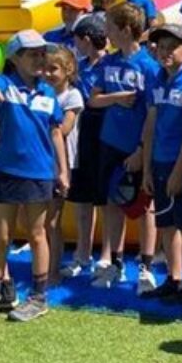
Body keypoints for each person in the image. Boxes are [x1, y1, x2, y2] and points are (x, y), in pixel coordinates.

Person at [0, 30, 68, 324]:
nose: (39, 59)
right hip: (6, 171)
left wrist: (63, 170)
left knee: (37, 234)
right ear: (15, 58)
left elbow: (56, 132)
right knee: (1, 235)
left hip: (40, 173)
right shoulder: (4, 84)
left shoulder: (48, 92)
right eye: (32, 54)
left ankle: (38, 298)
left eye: (42, 53)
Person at [88, 2, 159, 293]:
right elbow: (94, 100)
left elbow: (154, 113)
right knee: (112, 203)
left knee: (144, 207)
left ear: (126, 30)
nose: (106, 33)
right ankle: (115, 263)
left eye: (110, 28)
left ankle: (146, 266)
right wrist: (116, 98)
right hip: (110, 142)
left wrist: (141, 149)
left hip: (138, 146)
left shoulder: (149, 66)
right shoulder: (108, 63)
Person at [141, 24, 182, 300]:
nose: (165, 52)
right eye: (161, 47)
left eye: (172, 47)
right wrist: (146, 169)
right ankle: (174, 277)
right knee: (166, 224)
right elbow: (150, 126)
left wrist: (179, 171)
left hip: (180, 165)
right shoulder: (156, 81)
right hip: (158, 162)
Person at [63, 16, 109, 277]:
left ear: (87, 40)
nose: (76, 46)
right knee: (82, 199)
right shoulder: (79, 68)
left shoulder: (110, 65)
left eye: (77, 41)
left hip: (105, 134)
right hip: (82, 135)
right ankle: (83, 252)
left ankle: (107, 256)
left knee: (106, 200)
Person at [43, 44, 83, 284]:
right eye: (45, 69)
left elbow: (65, 128)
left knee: (52, 221)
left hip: (61, 163)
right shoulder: (41, 93)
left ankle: (53, 269)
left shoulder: (72, 96)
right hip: (41, 161)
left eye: (53, 69)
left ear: (68, 70)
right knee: (41, 220)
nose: (47, 74)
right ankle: (44, 265)